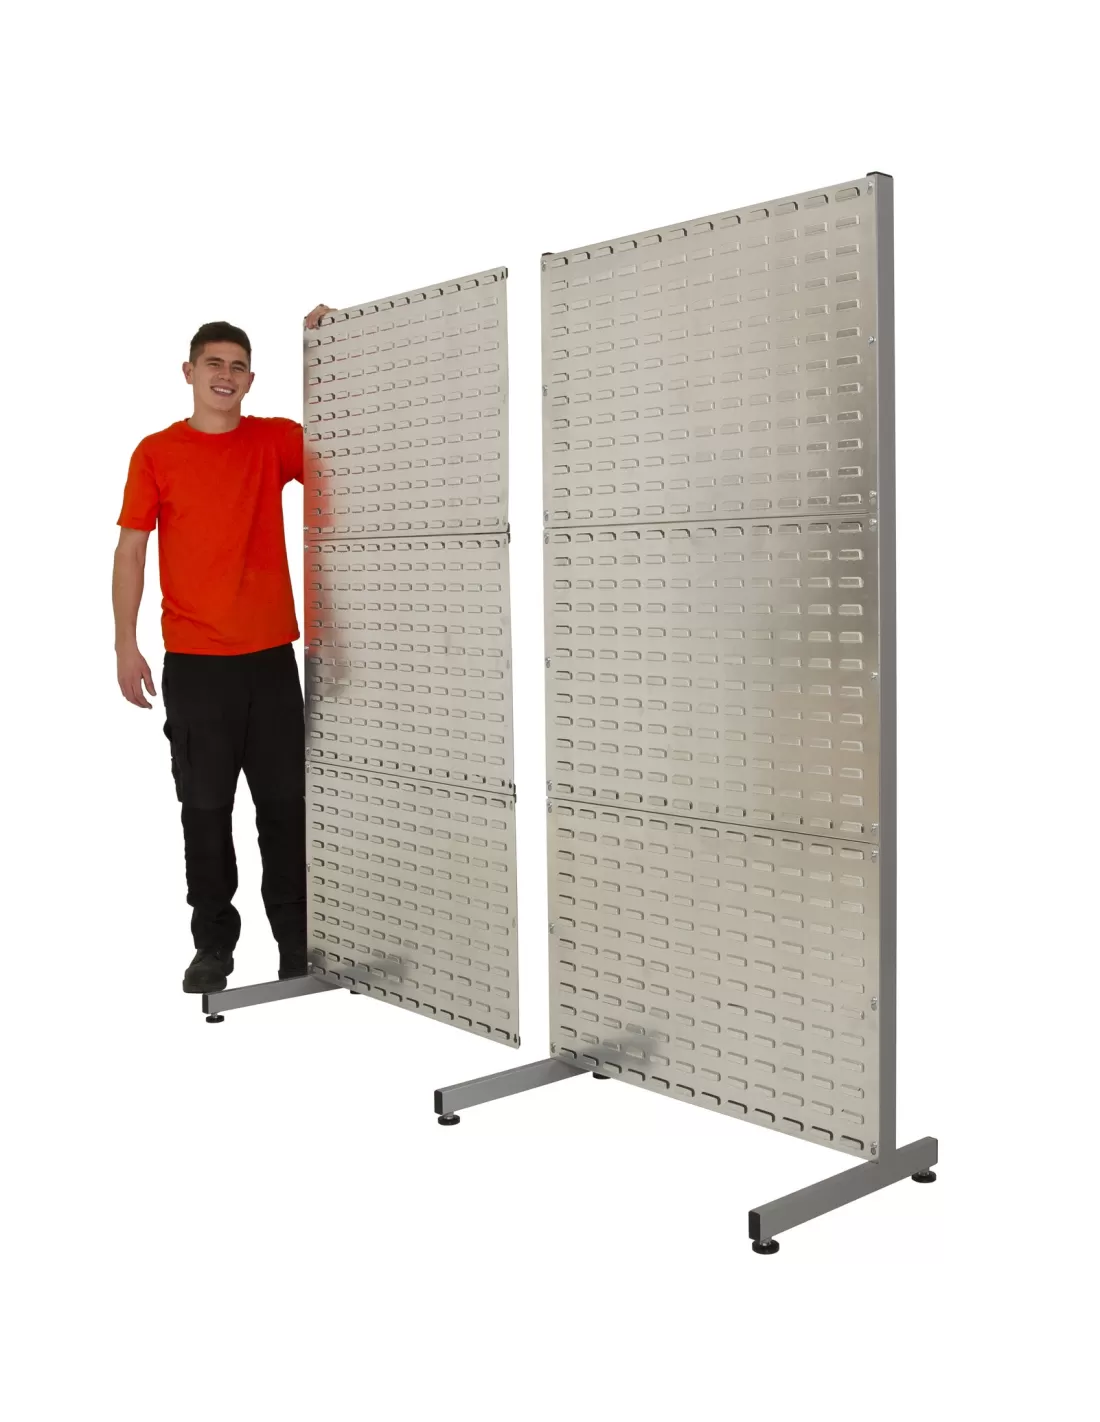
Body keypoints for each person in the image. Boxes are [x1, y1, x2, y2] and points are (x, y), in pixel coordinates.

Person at [113, 308, 334, 994]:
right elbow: (130, 551)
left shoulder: (273, 442)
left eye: (238, 366)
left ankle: (297, 944)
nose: (226, 375)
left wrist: (332, 345)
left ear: (251, 380)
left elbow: (347, 435)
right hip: (196, 666)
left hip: (270, 663)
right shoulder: (156, 452)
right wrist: (125, 644)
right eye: (214, 363)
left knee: (285, 810)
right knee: (205, 812)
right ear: (189, 372)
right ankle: (213, 945)